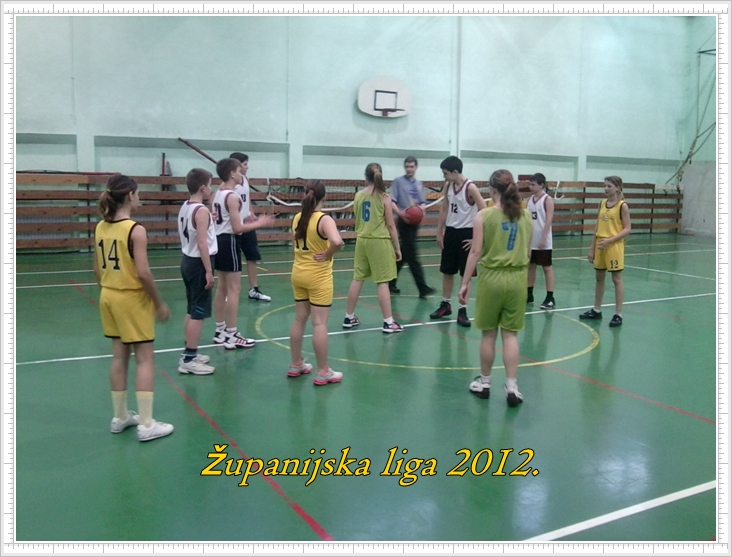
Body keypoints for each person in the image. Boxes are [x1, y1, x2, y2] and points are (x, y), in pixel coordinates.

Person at [94, 174, 173, 441]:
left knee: (119, 357)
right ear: (130, 195)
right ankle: (147, 424)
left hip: (108, 294)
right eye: (138, 193)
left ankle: (120, 417)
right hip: (131, 298)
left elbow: (97, 269)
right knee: (144, 359)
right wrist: (158, 303)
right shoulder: (135, 229)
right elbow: (143, 273)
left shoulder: (100, 227)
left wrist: (108, 291)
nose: (139, 198)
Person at [458, 169, 532, 407]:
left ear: (491, 189)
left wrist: (465, 282)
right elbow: (528, 252)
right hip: (518, 278)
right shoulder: (526, 216)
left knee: (488, 334)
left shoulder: (484, 215)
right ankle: (512, 386)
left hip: (492, 279)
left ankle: (485, 383)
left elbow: (475, 251)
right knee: (510, 335)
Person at [212, 158, 276, 349]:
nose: (242, 174)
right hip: (229, 241)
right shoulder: (232, 197)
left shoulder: (218, 193)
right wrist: (260, 223)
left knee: (222, 288)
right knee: (234, 290)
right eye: (239, 171)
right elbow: (237, 228)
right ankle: (232, 334)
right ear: (232, 174)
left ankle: (220, 330)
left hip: (218, 241)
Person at [289, 180, 345, 385]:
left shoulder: (297, 217)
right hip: (318, 276)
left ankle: (296, 363)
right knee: (319, 323)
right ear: (325, 198)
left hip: (298, 273)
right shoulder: (324, 219)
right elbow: (337, 242)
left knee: (299, 319)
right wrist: (328, 253)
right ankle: (323, 371)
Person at [343, 162, 404, 333]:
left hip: (362, 240)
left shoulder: (358, 196)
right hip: (379, 241)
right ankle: (389, 322)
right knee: (383, 282)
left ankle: (349, 317)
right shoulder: (384, 197)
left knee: (357, 278)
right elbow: (390, 225)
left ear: (365, 177)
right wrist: (397, 247)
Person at [431, 155, 487, 327]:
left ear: (455, 172)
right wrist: (439, 231)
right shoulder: (448, 185)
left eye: (446, 173)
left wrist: (477, 237)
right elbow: (444, 208)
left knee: (466, 274)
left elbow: (485, 211)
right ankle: (446, 304)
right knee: (447, 271)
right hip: (451, 232)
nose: (444, 176)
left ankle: (463, 310)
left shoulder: (471, 188)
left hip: (466, 233)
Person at [177, 168, 217, 375]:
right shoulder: (201, 211)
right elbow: (202, 243)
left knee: (191, 308)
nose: (211, 189)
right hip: (199, 263)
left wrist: (209, 219)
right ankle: (189, 359)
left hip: (187, 260)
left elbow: (195, 230)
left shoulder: (186, 206)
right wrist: (209, 271)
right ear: (203, 188)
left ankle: (188, 351)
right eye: (210, 185)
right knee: (198, 313)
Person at [579, 176, 631, 327]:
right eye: (605, 186)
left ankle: (618, 314)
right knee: (599, 278)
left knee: (616, 279)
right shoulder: (602, 203)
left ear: (617, 188)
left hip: (613, 246)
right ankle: (596, 310)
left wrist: (611, 240)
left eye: (609, 186)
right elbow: (597, 226)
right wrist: (592, 248)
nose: (606, 189)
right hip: (600, 245)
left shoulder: (622, 206)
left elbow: (627, 228)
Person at [388, 156, 436, 298]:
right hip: (404, 221)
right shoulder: (398, 182)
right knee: (412, 256)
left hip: (414, 223)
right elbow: (391, 201)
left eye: (412, 166)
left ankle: (390, 282)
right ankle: (422, 288)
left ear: (416, 167)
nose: (409, 169)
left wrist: (421, 210)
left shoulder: (418, 184)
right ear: (405, 167)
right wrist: (400, 213)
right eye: (407, 166)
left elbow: (422, 203)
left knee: (404, 254)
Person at [229, 152, 272, 302]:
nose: (247, 167)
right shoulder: (229, 185)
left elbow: (247, 199)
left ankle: (254, 289)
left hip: (247, 225)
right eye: (245, 164)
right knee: (232, 262)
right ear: (237, 166)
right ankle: (229, 291)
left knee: (252, 256)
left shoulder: (245, 180)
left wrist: (251, 213)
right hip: (234, 227)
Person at [526, 173, 556, 309]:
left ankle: (550, 297)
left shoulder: (547, 199)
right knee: (531, 266)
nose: (530, 186)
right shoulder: (530, 200)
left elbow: (549, 219)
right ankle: (529, 294)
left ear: (541, 185)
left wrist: (544, 237)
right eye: (530, 184)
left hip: (543, 240)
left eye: (533, 184)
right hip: (531, 240)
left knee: (546, 268)